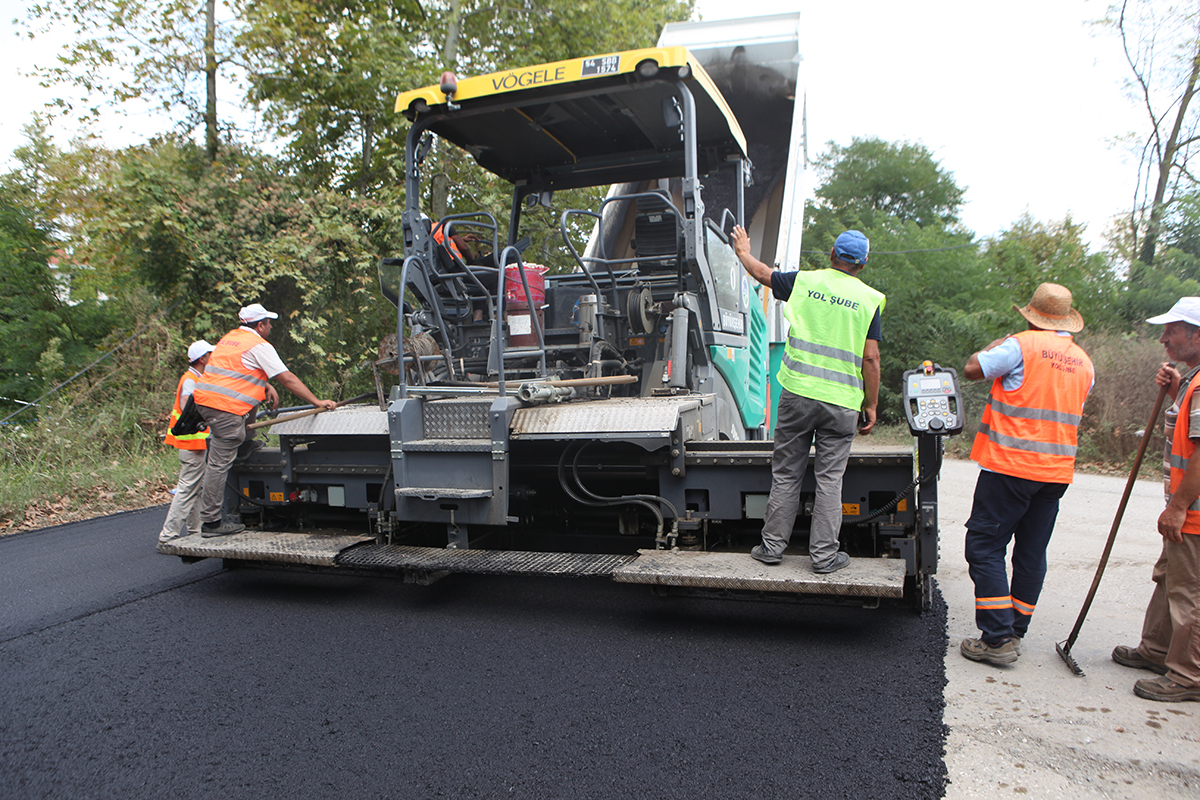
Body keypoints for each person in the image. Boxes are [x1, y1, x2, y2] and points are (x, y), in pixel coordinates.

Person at [731, 226, 884, 574]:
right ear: (862, 265)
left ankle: (771, 548)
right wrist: (871, 404)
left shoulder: (806, 282)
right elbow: (871, 359)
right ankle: (824, 557)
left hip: (798, 394)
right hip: (842, 402)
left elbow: (760, 272)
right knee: (830, 480)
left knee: (787, 474)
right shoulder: (868, 299)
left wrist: (742, 250)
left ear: (832, 254)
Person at [958, 283, 1094, 666]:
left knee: (984, 546)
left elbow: (972, 369)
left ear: (1032, 315)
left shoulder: (1019, 345)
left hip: (1010, 468)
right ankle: (1015, 630)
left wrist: (992, 346)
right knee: (1031, 553)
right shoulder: (1083, 361)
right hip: (1055, 473)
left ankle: (997, 638)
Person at [1112, 297, 1200, 702]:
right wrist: (1176, 392)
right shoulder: (1194, 381)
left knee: (1189, 593)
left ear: (1197, 336)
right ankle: (1157, 651)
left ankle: (1187, 676)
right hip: (1185, 509)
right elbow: (1186, 429)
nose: (1164, 338)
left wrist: (1179, 507)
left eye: (1173, 331)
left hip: (1194, 512)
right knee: (1169, 580)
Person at [193, 303, 337, 537]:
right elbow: (287, 378)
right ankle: (211, 522)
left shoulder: (231, 339)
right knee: (218, 464)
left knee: (244, 418)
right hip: (224, 408)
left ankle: (246, 442)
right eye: (269, 323)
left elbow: (237, 373)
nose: (270, 327)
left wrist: (265, 385)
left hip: (206, 400)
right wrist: (317, 402)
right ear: (260, 326)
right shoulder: (259, 346)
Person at [157, 339, 216, 544]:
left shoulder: (197, 377)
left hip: (195, 443)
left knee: (197, 486)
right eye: (211, 354)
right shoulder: (190, 379)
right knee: (187, 487)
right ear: (202, 358)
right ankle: (169, 533)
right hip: (191, 443)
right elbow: (186, 404)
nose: (213, 358)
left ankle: (196, 529)